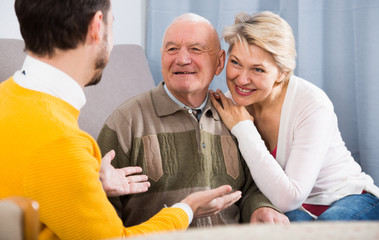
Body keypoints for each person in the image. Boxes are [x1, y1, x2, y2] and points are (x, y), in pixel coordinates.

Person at [0, 0, 244, 239]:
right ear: (97, 27)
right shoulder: (62, 143)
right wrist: (187, 209)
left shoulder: (7, 98)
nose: (182, 59)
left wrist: (90, 182)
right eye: (112, 24)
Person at [97, 12, 289, 228]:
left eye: (196, 49)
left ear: (219, 62)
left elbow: (252, 187)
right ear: (162, 58)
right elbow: (100, 206)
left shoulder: (235, 119)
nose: (182, 59)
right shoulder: (126, 122)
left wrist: (261, 207)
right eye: (172, 49)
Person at [210, 11, 379, 221]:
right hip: (295, 211)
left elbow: (289, 198)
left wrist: (243, 129)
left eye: (258, 69)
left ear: (282, 72)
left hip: (348, 198)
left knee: (324, 232)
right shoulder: (230, 106)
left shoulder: (311, 104)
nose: (242, 79)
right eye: (235, 62)